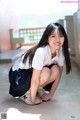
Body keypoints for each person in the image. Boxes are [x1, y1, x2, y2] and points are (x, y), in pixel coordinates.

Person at [9, 22, 71, 105]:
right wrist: (33, 99)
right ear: (47, 38)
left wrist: (50, 94)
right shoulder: (41, 52)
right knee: (46, 72)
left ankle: (37, 89)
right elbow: (35, 79)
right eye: (53, 36)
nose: (57, 40)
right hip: (18, 76)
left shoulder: (60, 51)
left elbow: (59, 75)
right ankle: (26, 94)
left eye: (61, 36)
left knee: (56, 69)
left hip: (29, 74)